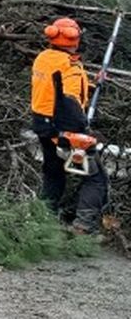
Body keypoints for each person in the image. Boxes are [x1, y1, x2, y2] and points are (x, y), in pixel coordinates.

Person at [30, 16, 107, 235]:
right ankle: (83, 226)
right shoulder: (69, 65)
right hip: (63, 129)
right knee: (95, 178)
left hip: (42, 126)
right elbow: (70, 101)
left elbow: (55, 89)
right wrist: (81, 132)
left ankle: (42, 221)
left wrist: (92, 82)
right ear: (73, 39)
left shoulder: (43, 58)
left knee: (53, 174)